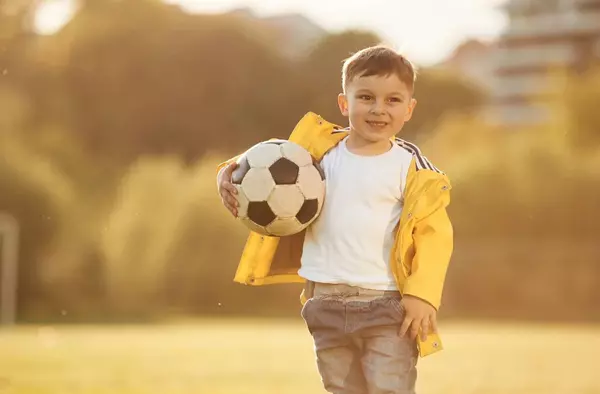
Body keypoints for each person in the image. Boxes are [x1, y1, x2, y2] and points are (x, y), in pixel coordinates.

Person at [216, 45, 453, 394]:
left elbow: (435, 235)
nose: (378, 109)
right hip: (324, 304)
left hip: (386, 307)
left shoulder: (412, 168)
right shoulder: (317, 156)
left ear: (409, 109)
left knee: (390, 388)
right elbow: (265, 160)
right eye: (366, 97)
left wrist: (423, 295)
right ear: (345, 104)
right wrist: (226, 173)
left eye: (392, 100)